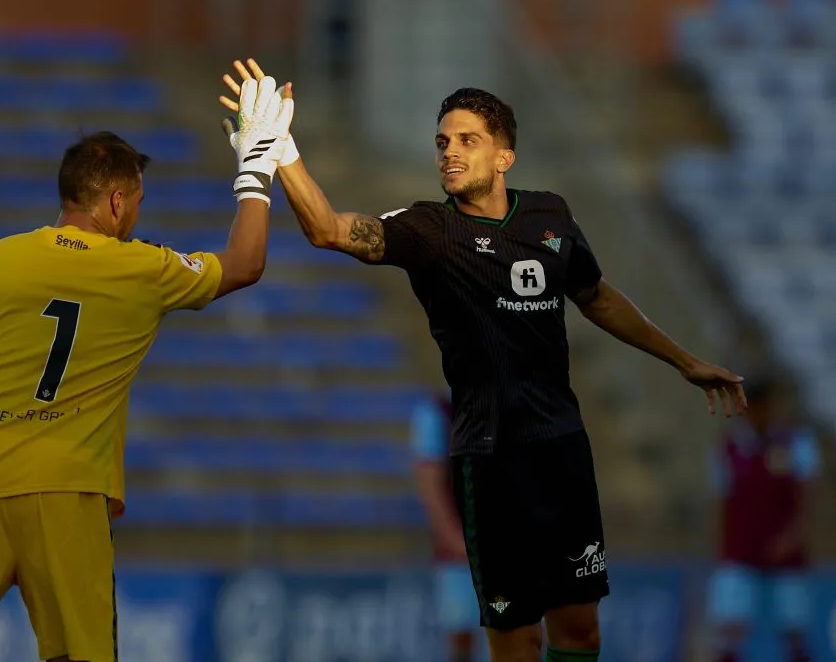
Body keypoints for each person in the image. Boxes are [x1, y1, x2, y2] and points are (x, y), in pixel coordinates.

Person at [219, 58, 747, 662]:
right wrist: (281, 149)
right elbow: (330, 230)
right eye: (443, 142)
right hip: (490, 460)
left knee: (580, 633)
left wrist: (683, 360)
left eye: (467, 140)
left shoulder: (550, 216)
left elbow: (596, 297)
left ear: (504, 157)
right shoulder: (429, 230)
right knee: (516, 642)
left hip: (562, 451)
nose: (450, 152)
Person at [0, 76, 294, 662]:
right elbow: (246, 263)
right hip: (68, 492)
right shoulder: (143, 268)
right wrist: (255, 167)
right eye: (138, 203)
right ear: (118, 202)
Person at [707, 377, 820, 662]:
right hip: (740, 555)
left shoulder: (796, 444)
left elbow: (808, 500)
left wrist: (794, 536)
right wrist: (724, 549)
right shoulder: (729, 447)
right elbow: (722, 503)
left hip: (786, 558)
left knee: (794, 632)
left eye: (763, 404)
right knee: (730, 632)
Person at [411, 392, 478, 662]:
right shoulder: (437, 413)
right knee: (461, 638)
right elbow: (430, 485)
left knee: (525, 634)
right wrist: (456, 542)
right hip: (460, 555)